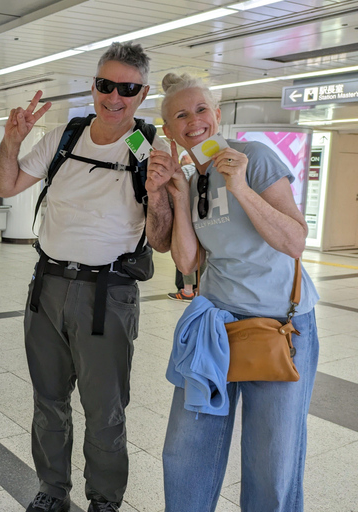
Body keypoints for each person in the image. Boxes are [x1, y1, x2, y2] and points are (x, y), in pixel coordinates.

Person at [0, 42, 167, 512]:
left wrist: (160, 193)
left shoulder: (151, 147)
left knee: (104, 409)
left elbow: (164, 237)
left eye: (127, 89)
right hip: (46, 286)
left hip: (108, 295)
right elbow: (5, 186)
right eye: (105, 85)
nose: (114, 97)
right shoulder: (63, 137)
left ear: (142, 92)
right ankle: (52, 489)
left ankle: (104, 500)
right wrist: (12, 139)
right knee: (48, 399)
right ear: (94, 85)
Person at [145, 72, 319, 512]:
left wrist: (240, 186)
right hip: (215, 327)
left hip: (280, 327)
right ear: (168, 131)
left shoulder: (255, 157)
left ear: (218, 115)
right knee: (185, 453)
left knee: (270, 460)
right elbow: (187, 263)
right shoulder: (191, 177)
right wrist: (175, 197)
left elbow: (293, 241)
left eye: (201, 109)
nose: (194, 120)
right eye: (180, 114)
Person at [168, 152, 197, 301]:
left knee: (186, 252)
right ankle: (199, 289)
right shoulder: (201, 170)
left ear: (185, 158)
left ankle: (187, 290)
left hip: (185, 217)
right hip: (201, 217)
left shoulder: (185, 171)